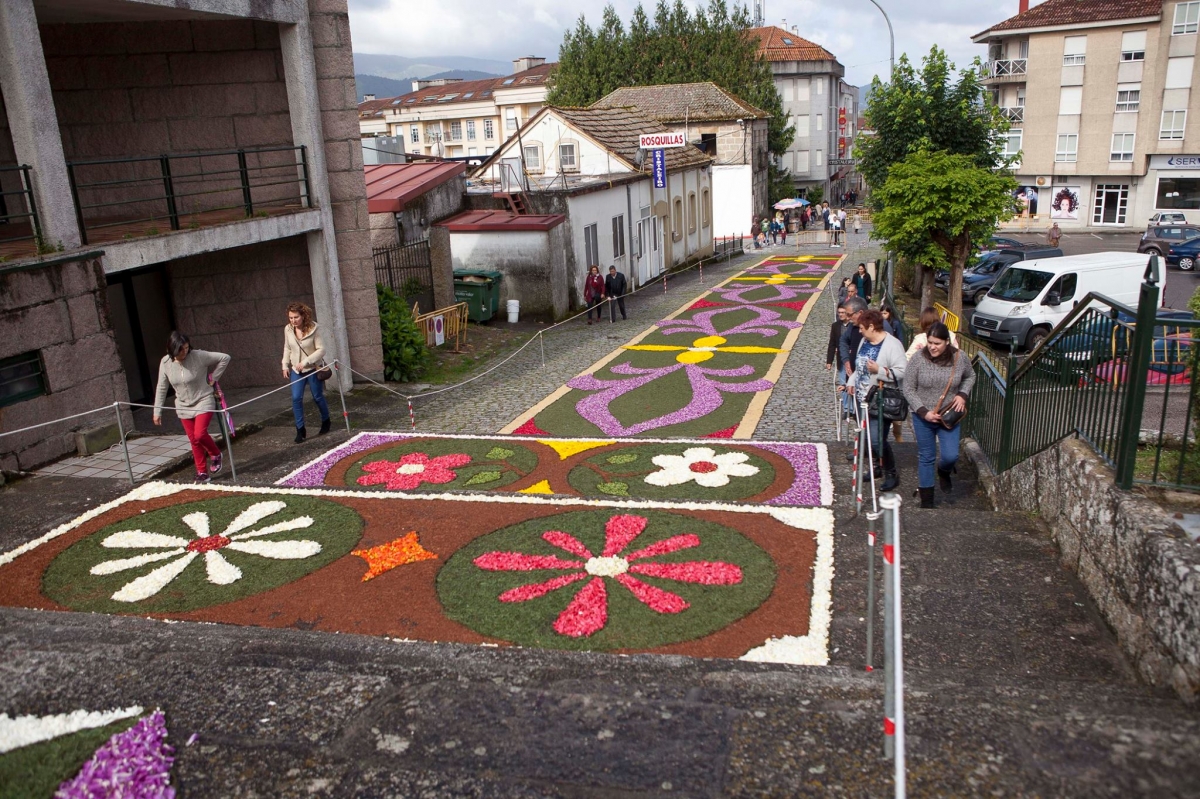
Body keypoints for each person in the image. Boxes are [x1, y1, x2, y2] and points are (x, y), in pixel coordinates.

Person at [903, 322, 975, 508]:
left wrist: (962, 394)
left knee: (951, 456)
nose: (932, 347)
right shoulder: (918, 359)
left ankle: (944, 472)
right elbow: (908, 388)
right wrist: (923, 412)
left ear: (947, 342)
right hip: (923, 417)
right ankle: (927, 501)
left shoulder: (960, 358)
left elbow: (970, 376)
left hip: (949, 416)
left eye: (937, 343)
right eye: (930, 342)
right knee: (926, 457)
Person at [153, 331, 230, 483]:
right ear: (173, 349)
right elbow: (162, 387)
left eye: (187, 348)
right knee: (194, 441)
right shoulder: (165, 362)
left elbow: (224, 358)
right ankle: (202, 472)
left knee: (200, 434)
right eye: (182, 350)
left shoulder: (198, 356)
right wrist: (157, 411)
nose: (185, 352)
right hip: (183, 405)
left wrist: (213, 378)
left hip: (203, 399)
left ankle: (216, 454)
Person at [845, 309, 907, 491]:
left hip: (880, 400)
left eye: (862, 327)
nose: (859, 331)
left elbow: (902, 372)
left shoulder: (893, 345)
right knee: (866, 436)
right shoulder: (865, 341)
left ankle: (891, 472)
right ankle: (877, 468)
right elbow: (861, 365)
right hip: (861, 397)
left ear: (872, 327)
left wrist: (880, 370)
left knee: (876, 439)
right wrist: (851, 380)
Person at [282, 301, 332, 444]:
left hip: (311, 369)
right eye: (291, 318)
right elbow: (287, 348)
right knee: (296, 398)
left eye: (296, 317)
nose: (293, 321)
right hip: (296, 371)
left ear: (303, 315)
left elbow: (321, 350)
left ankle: (326, 420)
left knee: (317, 396)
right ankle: (300, 429)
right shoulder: (288, 329)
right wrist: (284, 365)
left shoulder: (314, 328)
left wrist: (305, 362)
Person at [827, 304, 851, 417]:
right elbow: (832, 343)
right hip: (841, 360)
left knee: (852, 383)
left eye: (843, 312)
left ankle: (853, 408)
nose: (840, 315)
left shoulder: (854, 326)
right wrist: (829, 361)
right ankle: (847, 409)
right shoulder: (835, 326)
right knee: (843, 383)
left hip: (852, 359)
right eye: (839, 312)